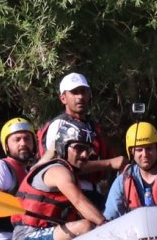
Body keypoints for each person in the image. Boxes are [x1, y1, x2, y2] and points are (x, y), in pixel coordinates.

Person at [11, 120, 106, 240]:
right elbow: (79, 201)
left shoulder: (69, 173)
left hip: (49, 234)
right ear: (63, 147)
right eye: (79, 148)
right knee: (84, 226)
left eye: (88, 149)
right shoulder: (58, 171)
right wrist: (106, 226)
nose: (85, 155)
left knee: (89, 224)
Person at [35, 73, 125, 208]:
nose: (80, 97)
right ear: (63, 98)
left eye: (83, 92)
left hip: (95, 193)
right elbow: (61, 166)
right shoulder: (60, 125)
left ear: (89, 95)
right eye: (74, 92)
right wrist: (109, 163)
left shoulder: (92, 126)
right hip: (70, 195)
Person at [103, 122, 157, 220]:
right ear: (131, 152)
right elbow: (109, 219)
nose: (145, 154)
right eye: (139, 150)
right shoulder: (122, 181)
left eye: (149, 148)